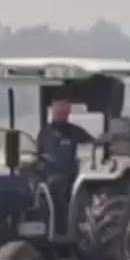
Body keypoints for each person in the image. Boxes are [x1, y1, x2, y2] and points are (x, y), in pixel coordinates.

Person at [36, 100, 93, 233]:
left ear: (68, 113)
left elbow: (92, 142)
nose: (61, 115)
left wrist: (104, 140)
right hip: (49, 174)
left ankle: (68, 229)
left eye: (64, 112)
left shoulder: (75, 131)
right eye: (58, 112)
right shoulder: (45, 132)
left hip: (70, 175)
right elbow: (40, 153)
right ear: (53, 113)